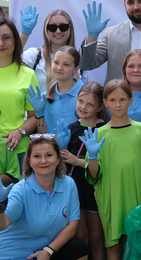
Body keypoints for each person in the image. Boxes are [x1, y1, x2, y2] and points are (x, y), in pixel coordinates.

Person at [84, 79, 141, 260]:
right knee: (114, 244)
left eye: (122, 99)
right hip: (111, 198)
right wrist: (94, 156)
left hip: (137, 198)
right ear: (105, 102)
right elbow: (94, 175)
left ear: (130, 100)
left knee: (138, 244)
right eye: (113, 100)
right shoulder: (98, 134)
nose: (118, 104)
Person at [0, 135, 88, 260]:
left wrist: (48, 250)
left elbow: (72, 225)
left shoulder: (68, 184)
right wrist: (0, 205)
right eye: (37, 156)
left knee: (79, 247)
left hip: (43, 253)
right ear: (29, 161)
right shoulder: (20, 190)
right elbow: (3, 225)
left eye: (48, 155)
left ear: (57, 158)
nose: (43, 161)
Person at [58, 82, 108, 260]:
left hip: (95, 192)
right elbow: (57, 165)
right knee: (81, 239)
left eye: (90, 104)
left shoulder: (105, 130)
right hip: (73, 192)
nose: (83, 107)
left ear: (99, 107)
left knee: (97, 240)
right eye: (80, 101)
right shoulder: (68, 129)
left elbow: (105, 166)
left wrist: (78, 161)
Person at [0, 18, 38, 171]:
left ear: (16, 40)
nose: (1, 43)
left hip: (17, 149)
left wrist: (19, 131)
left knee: (17, 195)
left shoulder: (28, 74)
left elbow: (35, 116)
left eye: (6, 37)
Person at [26, 46, 83, 134]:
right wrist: (39, 113)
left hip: (76, 147)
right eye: (56, 62)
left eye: (66, 64)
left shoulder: (85, 94)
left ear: (76, 69)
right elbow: (43, 134)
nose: (59, 67)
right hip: (51, 147)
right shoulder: (45, 97)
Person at [21, 8, 77, 91]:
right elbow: (8, 58)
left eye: (63, 27)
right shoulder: (34, 55)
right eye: (52, 27)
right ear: (46, 30)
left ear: (70, 29)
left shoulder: (78, 59)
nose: (58, 31)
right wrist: (25, 32)